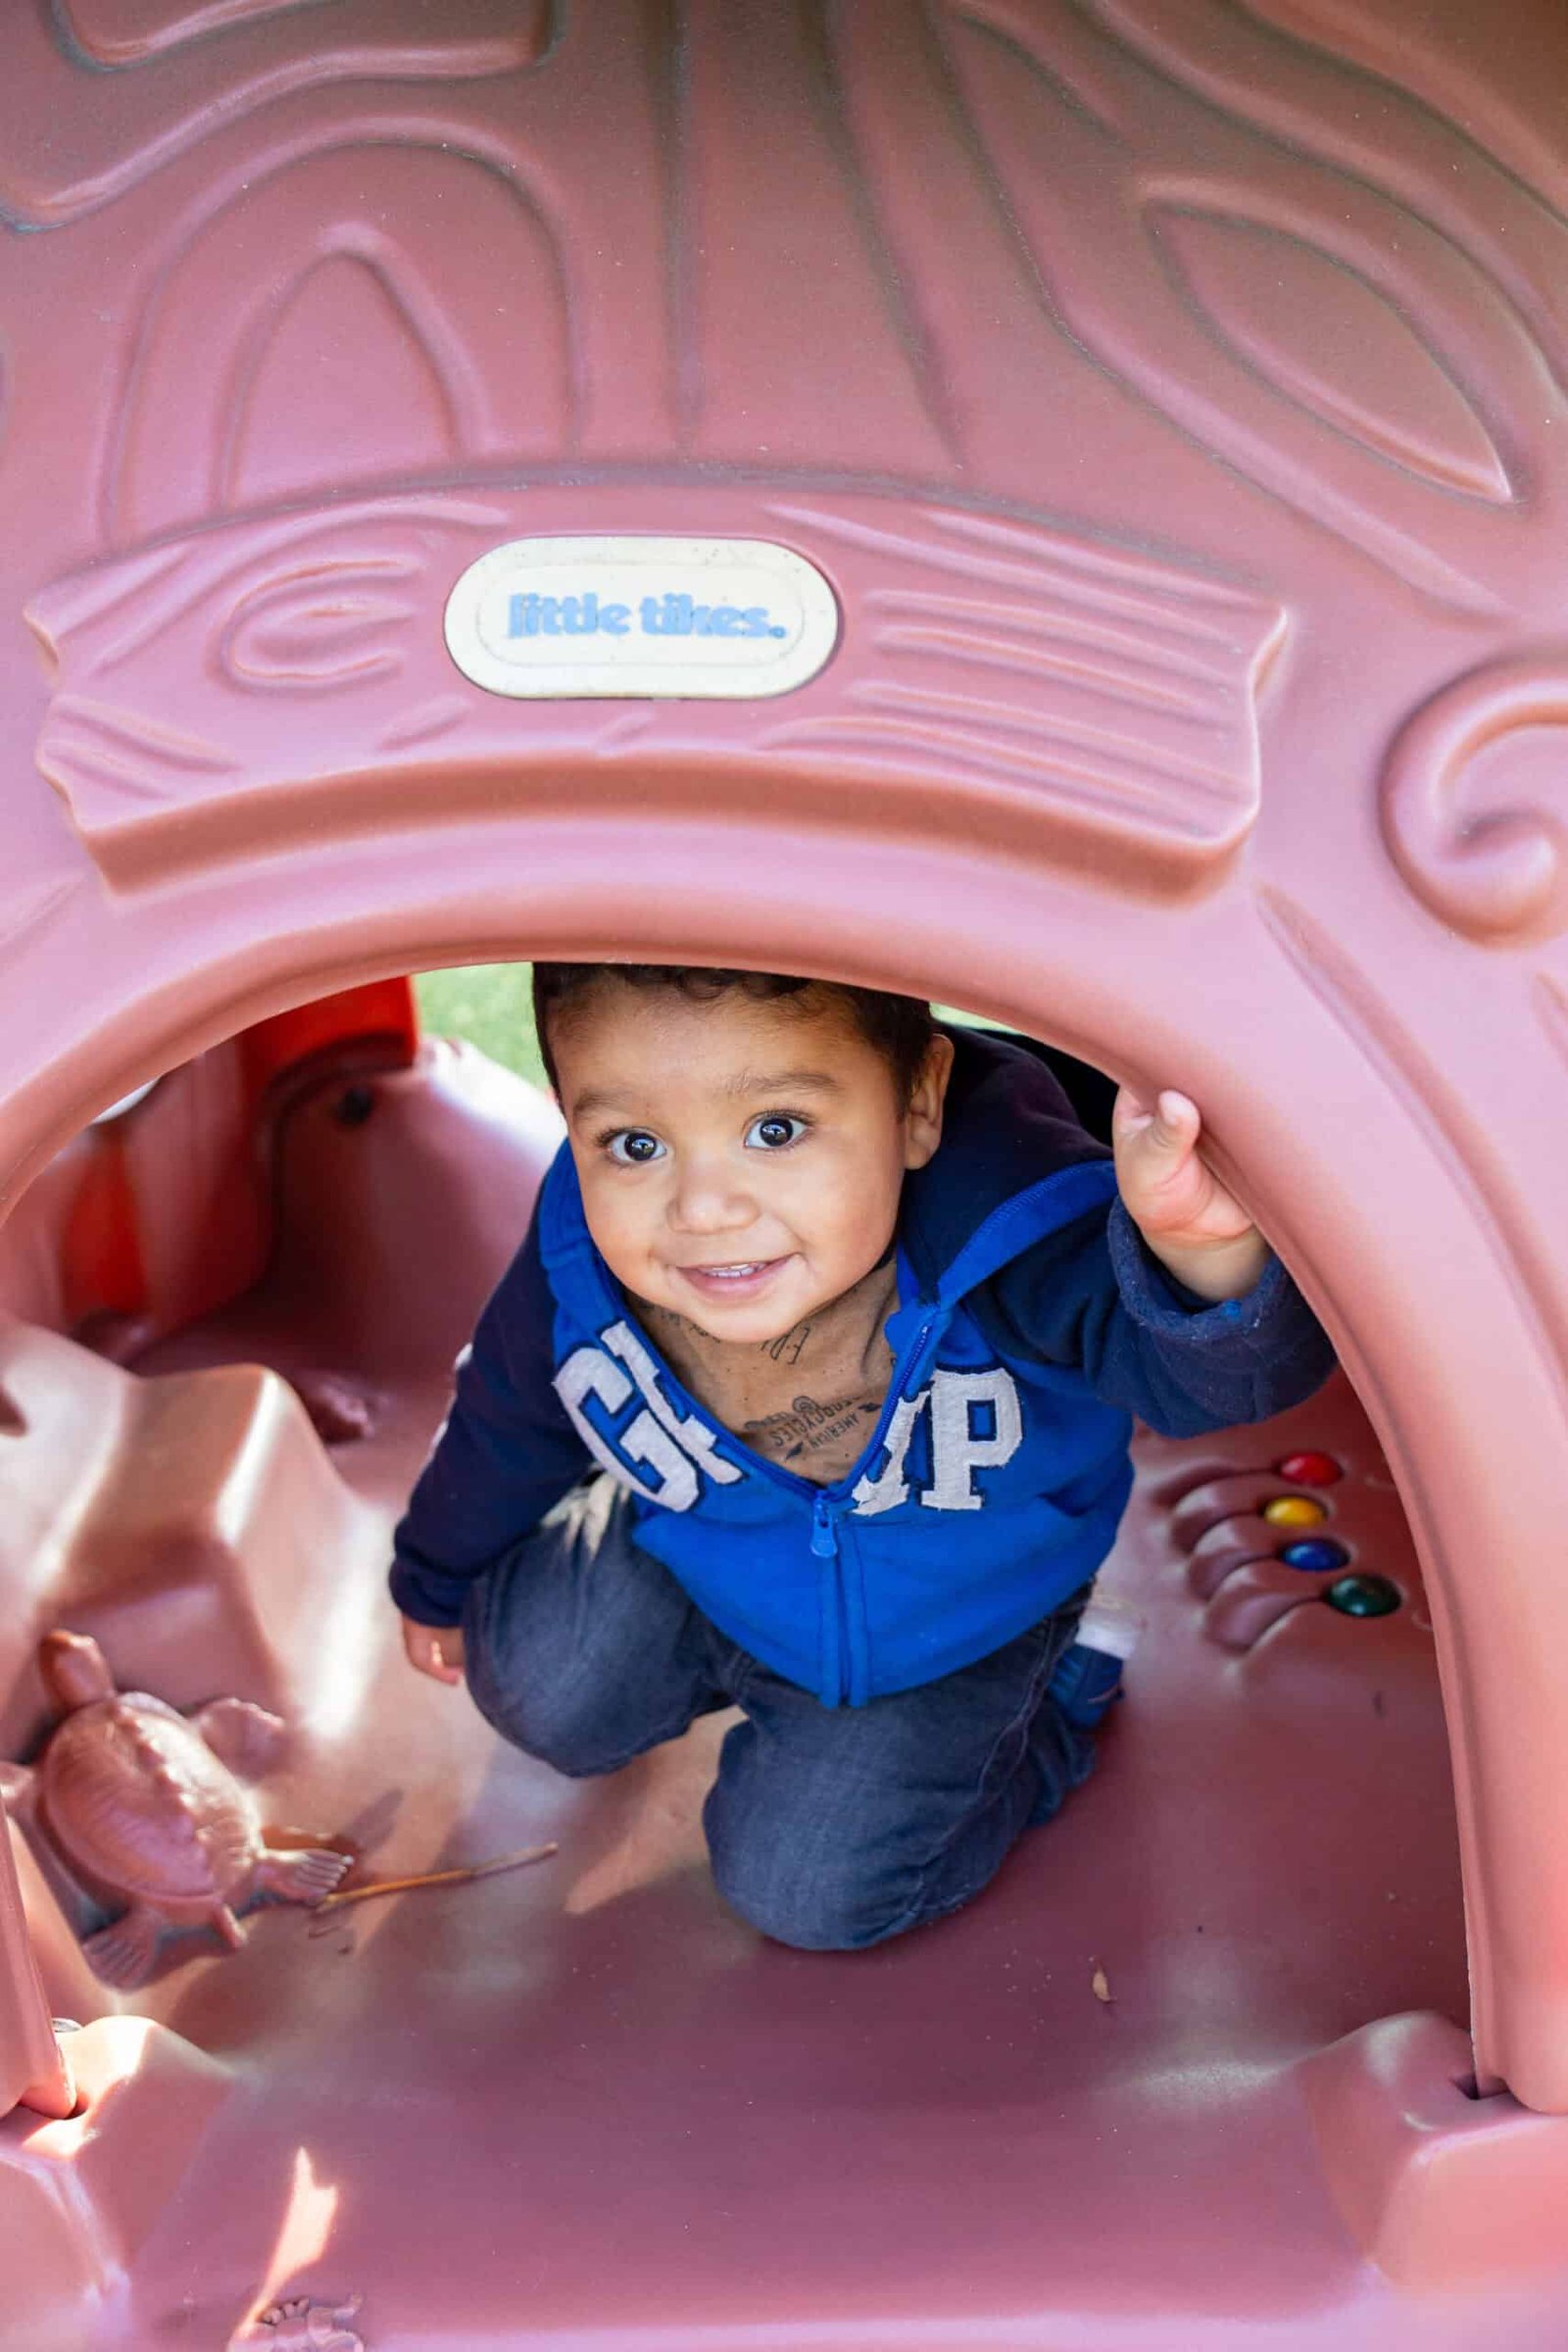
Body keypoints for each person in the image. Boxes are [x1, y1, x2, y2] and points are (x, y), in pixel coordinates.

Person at [391, 967, 1333, 1949]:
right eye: (635, 1144)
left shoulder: (1013, 1223)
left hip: (950, 1629)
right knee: (534, 1690)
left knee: (807, 1893)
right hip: (706, 1553)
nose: (704, 1207)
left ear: (917, 1103)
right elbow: (511, 1409)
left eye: (775, 1129)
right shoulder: (582, 1247)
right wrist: (434, 1569)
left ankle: (1046, 1709)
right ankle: (670, 1581)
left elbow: (1206, 1389)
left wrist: (1201, 1253)